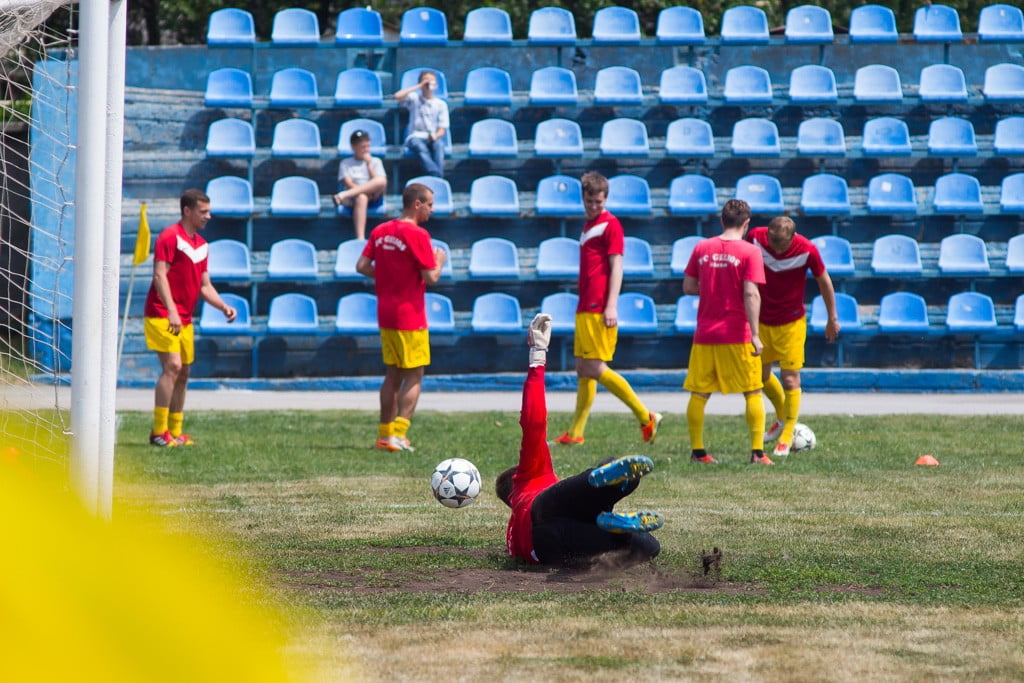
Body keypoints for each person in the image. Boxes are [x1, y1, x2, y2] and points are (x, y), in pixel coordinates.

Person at [496, 313, 664, 568]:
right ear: (516, 476)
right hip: (544, 508)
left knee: (646, 545)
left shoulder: (510, 536)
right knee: (594, 482)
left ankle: (610, 521)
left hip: (548, 548)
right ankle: (603, 486)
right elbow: (533, 423)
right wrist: (537, 356)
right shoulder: (529, 477)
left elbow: (520, 552)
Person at [555, 171, 662, 447]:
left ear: (605, 199)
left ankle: (645, 415)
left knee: (594, 366)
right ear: (583, 197)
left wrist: (611, 304)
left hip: (598, 306)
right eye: (589, 201)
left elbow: (617, 266)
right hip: (585, 305)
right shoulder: (589, 224)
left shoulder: (610, 224)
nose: (593, 206)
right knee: (583, 368)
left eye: (598, 202)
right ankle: (576, 433)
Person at [356, 183, 446, 452]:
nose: (432, 209)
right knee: (414, 376)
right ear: (416, 204)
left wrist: (386, 274)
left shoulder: (381, 230)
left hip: (386, 313)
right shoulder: (417, 234)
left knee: (392, 375)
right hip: (410, 315)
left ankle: (384, 435)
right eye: (429, 204)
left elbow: (361, 266)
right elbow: (431, 276)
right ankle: (399, 434)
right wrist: (439, 259)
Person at [144, 188, 237, 447]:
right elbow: (159, 275)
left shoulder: (202, 245)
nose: (209, 216)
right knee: (172, 367)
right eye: (203, 211)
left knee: (184, 372)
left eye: (208, 211)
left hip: (184, 318)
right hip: (162, 313)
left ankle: (174, 432)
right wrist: (171, 309)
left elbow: (204, 286)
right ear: (187, 211)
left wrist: (223, 306)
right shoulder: (169, 237)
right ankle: (158, 432)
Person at [682, 199, 770, 465]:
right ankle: (757, 453)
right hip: (737, 334)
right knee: (753, 391)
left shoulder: (702, 247)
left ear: (722, 221)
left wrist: (713, 288)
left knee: (699, 394)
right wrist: (755, 334)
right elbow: (751, 293)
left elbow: (688, 286)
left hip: (705, 334)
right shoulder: (750, 252)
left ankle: (698, 452)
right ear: (746, 223)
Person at [747, 216, 840, 458]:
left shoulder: (808, 249)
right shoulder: (755, 237)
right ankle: (781, 417)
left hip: (791, 323)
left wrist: (832, 317)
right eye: (773, 242)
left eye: (782, 245)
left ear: (793, 237)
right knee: (760, 377)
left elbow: (825, 282)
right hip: (761, 321)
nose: (776, 250)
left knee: (790, 379)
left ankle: (787, 435)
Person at [333, 129, 387, 241]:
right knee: (361, 197)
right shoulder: (345, 163)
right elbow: (347, 182)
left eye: (368, 146)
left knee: (381, 180)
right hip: (355, 197)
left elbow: (379, 182)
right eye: (363, 147)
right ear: (353, 147)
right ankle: (360, 238)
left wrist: (368, 165)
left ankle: (342, 195)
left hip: (374, 195)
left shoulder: (375, 161)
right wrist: (363, 192)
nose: (366, 150)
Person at [394, 70, 449, 178]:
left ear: (436, 85)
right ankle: (436, 175)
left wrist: (435, 136)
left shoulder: (441, 104)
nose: (428, 83)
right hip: (415, 136)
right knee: (420, 147)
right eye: (425, 80)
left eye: (431, 81)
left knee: (439, 146)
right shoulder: (414, 98)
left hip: (432, 136)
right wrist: (418, 86)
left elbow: (442, 129)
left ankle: (436, 175)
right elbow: (398, 96)